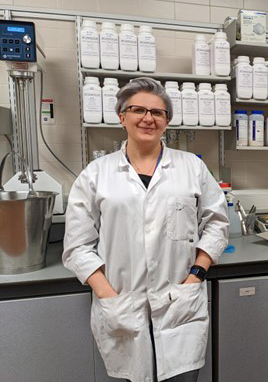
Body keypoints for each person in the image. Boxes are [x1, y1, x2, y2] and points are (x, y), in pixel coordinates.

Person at [63, 77, 229, 382]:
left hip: (180, 304)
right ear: (122, 116)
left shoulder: (191, 166)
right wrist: (108, 295)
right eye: (138, 109)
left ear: (167, 121)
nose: (148, 118)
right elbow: (77, 246)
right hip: (122, 306)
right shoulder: (96, 175)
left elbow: (217, 223)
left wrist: (196, 276)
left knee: (182, 377)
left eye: (158, 112)